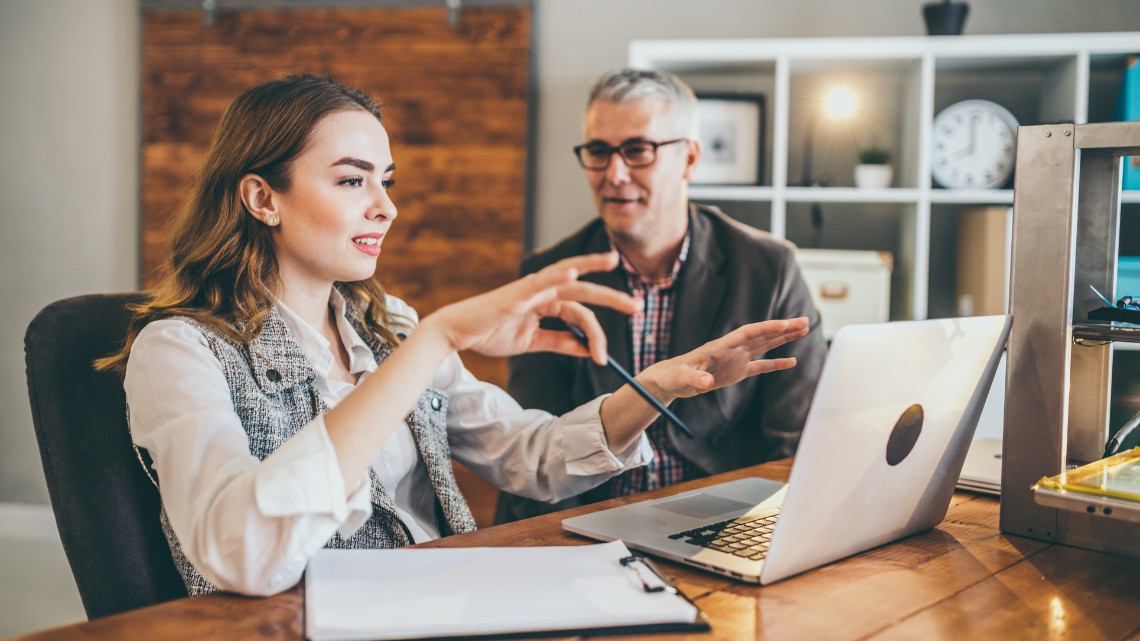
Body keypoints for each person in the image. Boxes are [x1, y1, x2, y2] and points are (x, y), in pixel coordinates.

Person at [95, 74, 810, 597]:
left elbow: (532, 455)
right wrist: (435, 341)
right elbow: (243, 555)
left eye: (387, 180)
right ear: (262, 197)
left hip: (445, 602)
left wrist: (656, 387)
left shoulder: (388, 324)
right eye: (352, 181)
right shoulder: (179, 350)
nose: (387, 206)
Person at [495, 68, 827, 524]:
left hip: (724, 519)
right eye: (598, 151)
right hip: (593, 523)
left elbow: (797, 444)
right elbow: (532, 446)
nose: (614, 173)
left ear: (690, 159)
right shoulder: (548, 275)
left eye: (637, 151)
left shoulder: (770, 269)